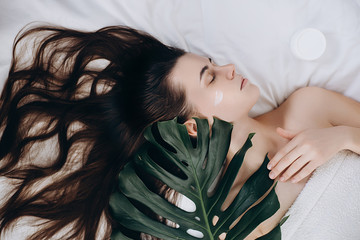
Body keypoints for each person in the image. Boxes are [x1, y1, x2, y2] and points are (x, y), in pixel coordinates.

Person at [0, 24, 359, 239]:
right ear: (192, 126)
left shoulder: (309, 106)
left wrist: (343, 137)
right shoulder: (219, 219)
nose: (230, 68)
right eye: (211, 76)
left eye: (214, 65)